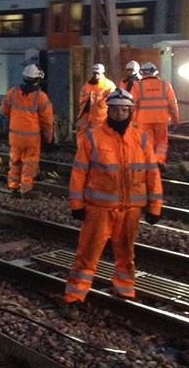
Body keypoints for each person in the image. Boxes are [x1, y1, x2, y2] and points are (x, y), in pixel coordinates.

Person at [61, 88, 163, 317]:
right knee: (86, 254)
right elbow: (79, 173)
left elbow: (152, 173)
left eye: (125, 109)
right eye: (116, 109)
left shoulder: (141, 138)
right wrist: (76, 204)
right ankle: (73, 297)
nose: (120, 114)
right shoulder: (93, 137)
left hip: (131, 210)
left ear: (131, 111)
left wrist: (155, 206)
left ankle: (125, 290)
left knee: (126, 254)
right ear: (109, 110)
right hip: (98, 209)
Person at [0, 63, 53, 195]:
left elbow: (4, 110)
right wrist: (49, 138)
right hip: (31, 138)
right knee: (29, 164)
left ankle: (13, 186)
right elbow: (47, 121)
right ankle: (26, 189)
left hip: (15, 136)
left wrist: (15, 121)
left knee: (15, 161)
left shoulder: (13, 92)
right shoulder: (41, 97)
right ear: (37, 79)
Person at [131, 62, 179, 166]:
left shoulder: (136, 86)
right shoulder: (165, 85)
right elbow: (172, 105)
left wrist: (131, 121)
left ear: (142, 73)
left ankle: (148, 161)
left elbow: (132, 106)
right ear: (155, 73)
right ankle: (159, 160)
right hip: (161, 119)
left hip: (143, 120)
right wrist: (175, 119)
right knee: (161, 141)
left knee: (147, 142)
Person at [76, 62, 115, 144]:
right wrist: (82, 103)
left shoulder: (108, 84)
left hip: (99, 116)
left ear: (102, 73)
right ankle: (82, 149)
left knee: (98, 134)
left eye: (97, 73)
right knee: (81, 132)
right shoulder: (88, 84)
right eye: (94, 73)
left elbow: (112, 98)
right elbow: (82, 94)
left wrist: (100, 105)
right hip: (85, 113)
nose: (95, 75)